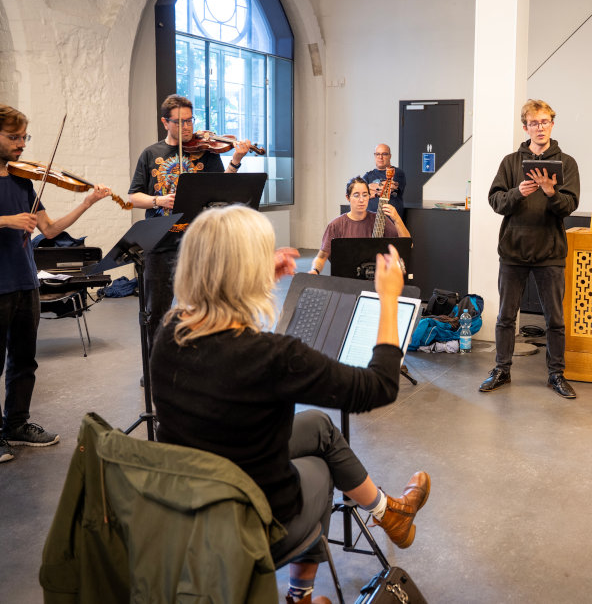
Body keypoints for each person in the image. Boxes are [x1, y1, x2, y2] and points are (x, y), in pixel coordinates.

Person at [150, 205, 430, 604]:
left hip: (188, 505)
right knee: (321, 468)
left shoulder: (170, 332)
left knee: (318, 426)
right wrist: (388, 300)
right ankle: (301, 595)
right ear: (244, 272)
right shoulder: (270, 356)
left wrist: (255, 275)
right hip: (250, 522)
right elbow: (379, 387)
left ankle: (389, 513)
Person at [0, 104, 111, 463]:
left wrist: (87, 203)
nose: (21, 144)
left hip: (25, 282)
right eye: (13, 137)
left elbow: (49, 230)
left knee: (24, 361)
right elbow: (13, 221)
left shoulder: (24, 181)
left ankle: (16, 425)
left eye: (24, 137)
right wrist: (7, 220)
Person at [127, 94, 254, 344]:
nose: (187, 127)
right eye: (179, 122)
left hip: (199, 241)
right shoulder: (151, 153)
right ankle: (156, 359)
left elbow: (222, 189)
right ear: (165, 122)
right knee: (157, 310)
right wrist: (159, 201)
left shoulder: (206, 152)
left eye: (190, 120)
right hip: (160, 242)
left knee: (204, 307)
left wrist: (236, 160)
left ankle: (198, 358)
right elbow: (133, 197)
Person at [480, 99, 580, 399]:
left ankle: (556, 374)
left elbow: (569, 206)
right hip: (513, 250)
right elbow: (496, 201)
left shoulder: (567, 163)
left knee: (555, 319)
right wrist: (517, 193)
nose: (540, 127)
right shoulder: (511, 162)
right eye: (534, 123)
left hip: (550, 252)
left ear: (552, 124)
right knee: (506, 317)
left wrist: (550, 192)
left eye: (545, 121)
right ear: (525, 127)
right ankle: (502, 369)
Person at [308, 176, 410, 275]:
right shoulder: (335, 225)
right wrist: (315, 270)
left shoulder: (380, 220)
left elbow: (408, 244)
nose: (361, 200)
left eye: (365, 195)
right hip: (346, 277)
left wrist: (397, 219)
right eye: (356, 195)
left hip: (376, 278)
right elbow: (321, 257)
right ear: (348, 197)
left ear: (369, 196)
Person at [364, 143, 406, 215]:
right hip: (369, 218)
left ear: (390, 156)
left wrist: (369, 187)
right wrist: (378, 191)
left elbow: (389, 187)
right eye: (378, 154)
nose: (380, 157)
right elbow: (362, 193)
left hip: (390, 218)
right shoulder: (368, 175)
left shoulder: (397, 172)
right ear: (375, 156)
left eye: (384, 154)